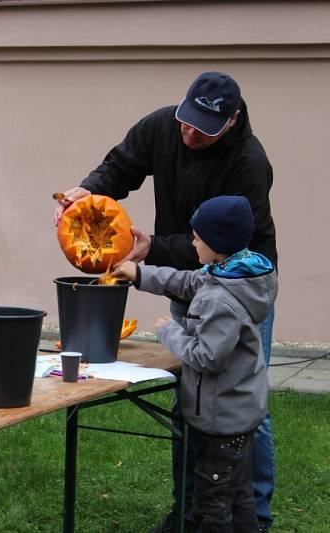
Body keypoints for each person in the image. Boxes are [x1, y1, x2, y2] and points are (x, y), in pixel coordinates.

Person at [54, 71, 277, 532]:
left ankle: (252, 515)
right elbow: (120, 166)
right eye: (186, 121)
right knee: (192, 398)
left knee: (242, 403)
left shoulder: (248, 163)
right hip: (191, 275)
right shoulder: (163, 126)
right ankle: (191, 511)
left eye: (204, 128)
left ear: (231, 121)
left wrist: (154, 253)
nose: (189, 133)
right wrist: (88, 190)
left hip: (238, 285)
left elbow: (226, 248)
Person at [113, 195, 277, 532]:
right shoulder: (233, 273)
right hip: (238, 413)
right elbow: (185, 282)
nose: (192, 242)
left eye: (197, 237)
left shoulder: (221, 299)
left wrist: (170, 333)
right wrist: (139, 274)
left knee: (212, 502)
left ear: (216, 245)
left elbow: (207, 357)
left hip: (220, 421)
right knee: (239, 495)